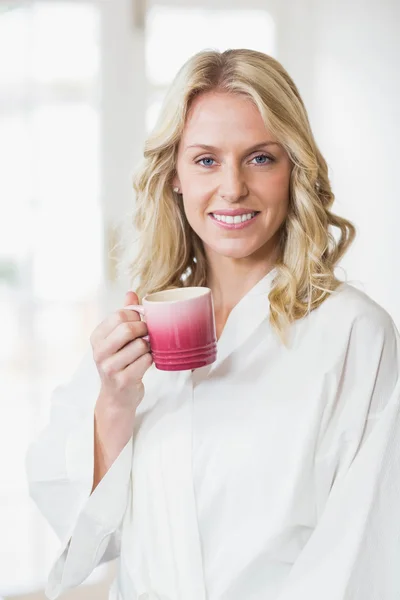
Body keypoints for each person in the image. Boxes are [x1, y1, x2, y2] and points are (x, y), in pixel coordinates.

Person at [26, 49, 400, 600]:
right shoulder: (138, 332)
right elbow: (81, 532)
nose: (231, 188)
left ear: (294, 168)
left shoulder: (353, 334)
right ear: (173, 175)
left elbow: (362, 552)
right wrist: (113, 406)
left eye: (260, 158)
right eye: (205, 160)